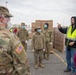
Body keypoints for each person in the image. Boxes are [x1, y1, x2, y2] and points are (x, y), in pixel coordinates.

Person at [0, 6, 31, 75]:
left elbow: (28, 35)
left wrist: (27, 39)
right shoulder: (10, 37)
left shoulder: (25, 31)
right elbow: (22, 64)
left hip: (24, 42)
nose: (9, 20)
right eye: (8, 18)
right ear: (2, 18)